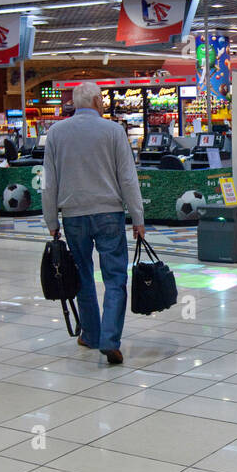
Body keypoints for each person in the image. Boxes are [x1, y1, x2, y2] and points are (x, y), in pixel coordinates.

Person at [42, 82, 146, 365]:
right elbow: (127, 178)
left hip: (73, 215)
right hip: (109, 213)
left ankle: (90, 333)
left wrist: (51, 219)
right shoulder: (113, 131)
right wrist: (138, 217)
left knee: (82, 277)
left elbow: (48, 181)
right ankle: (110, 340)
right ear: (99, 101)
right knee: (114, 278)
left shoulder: (56, 133)